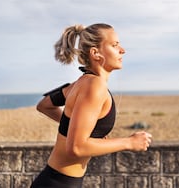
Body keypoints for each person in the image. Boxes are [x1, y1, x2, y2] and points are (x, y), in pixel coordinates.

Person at [30, 23, 152, 188]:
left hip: (55, 180)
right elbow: (77, 147)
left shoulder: (80, 83)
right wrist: (129, 142)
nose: (122, 50)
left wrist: (79, 128)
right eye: (115, 45)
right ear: (95, 53)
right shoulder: (95, 86)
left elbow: (45, 105)